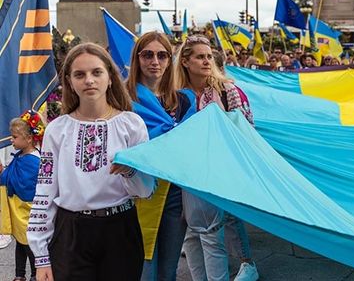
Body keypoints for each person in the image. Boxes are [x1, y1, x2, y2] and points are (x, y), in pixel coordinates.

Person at [27, 43, 155, 281]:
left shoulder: (131, 124)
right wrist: (41, 256)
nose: (89, 80)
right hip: (71, 234)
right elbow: (44, 191)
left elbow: (146, 190)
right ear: (69, 81)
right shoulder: (57, 129)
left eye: (96, 72)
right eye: (80, 74)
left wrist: (130, 172)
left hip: (121, 231)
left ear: (109, 77)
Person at [176, 36, 257, 281]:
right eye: (200, 57)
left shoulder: (228, 90)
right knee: (191, 232)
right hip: (189, 171)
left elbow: (247, 129)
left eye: (209, 56)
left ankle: (247, 263)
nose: (207, 61)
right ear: (186, 62)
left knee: (216, 228)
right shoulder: (177, 95)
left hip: (222, 167)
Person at [125, 32, 186, 281]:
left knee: (168, 271)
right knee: (143, 270)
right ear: (137, 58)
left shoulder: (182, 100)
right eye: (148, 54)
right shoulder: (123, 99)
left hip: (175, 192)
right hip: (138, 191)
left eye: (162, 55)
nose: (155, 61)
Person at [0, 110, 44, 281]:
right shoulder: (21, 156)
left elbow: (23, 186)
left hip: (28, 212)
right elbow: (10, 177)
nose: (11, 140)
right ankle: (19, 275)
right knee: (20, 242)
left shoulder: (33, 161)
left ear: (29, 139)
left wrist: (4, 174)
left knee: (29, 245)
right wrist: (4, 172)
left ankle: (35, 274)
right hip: (21, 212)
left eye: (14, 137)